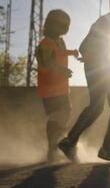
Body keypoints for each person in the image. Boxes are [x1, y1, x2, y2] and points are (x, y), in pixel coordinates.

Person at [58, 0, 110, 163]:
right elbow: (99, 46)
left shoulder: (103, 20)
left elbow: (84, 45)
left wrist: (90, 56)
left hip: (94, 67)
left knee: (97, 106)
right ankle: (108, 149)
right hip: (106, 66)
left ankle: (70, 141)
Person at [36, 9, 79, 162]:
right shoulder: (45, 43)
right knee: (56, 115)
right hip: (49, 87)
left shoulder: (59, 41)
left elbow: (60, 53)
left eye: (67, 26)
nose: (66, 29)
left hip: (61, 87)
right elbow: (48, 62)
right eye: (63, 25)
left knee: (66, 112)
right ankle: (52, 148)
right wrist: (62, 69)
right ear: (51, 25)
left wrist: (71, 52)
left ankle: (58, 143)